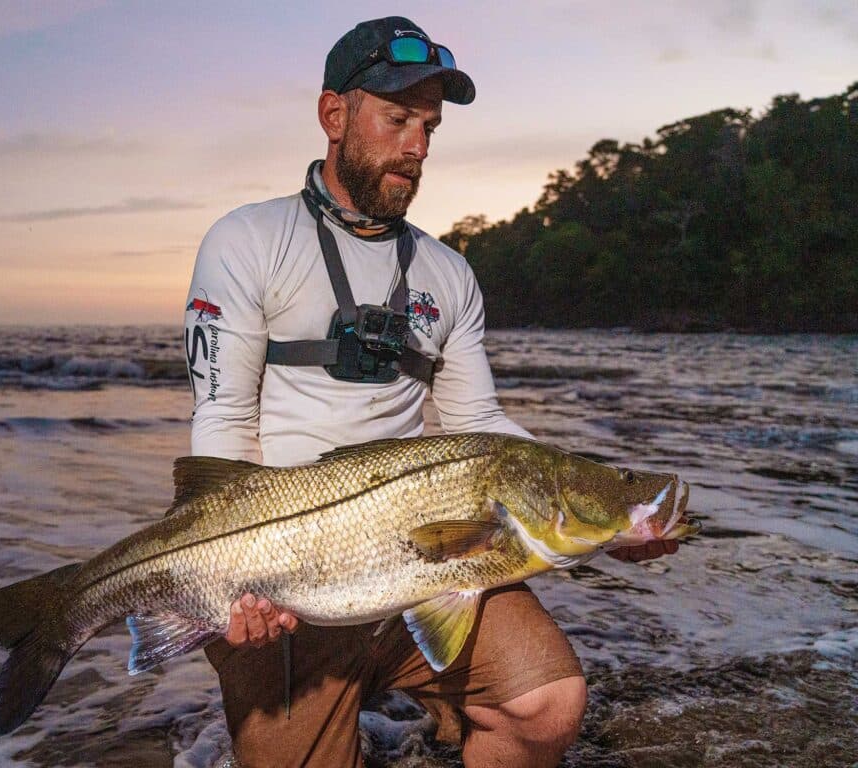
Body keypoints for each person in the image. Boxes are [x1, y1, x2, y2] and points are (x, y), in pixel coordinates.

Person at [182, 16, 676, 768]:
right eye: (397, 119)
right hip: (283, 577)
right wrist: (230, 584)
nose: (416, 146)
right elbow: (222, 417)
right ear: (334, 115)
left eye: (429, 127)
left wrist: (607, 514)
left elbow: (481, 423)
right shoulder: (247, 240)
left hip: (431, 553)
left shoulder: (449, 274)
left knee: (546, 705)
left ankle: (433, 703)